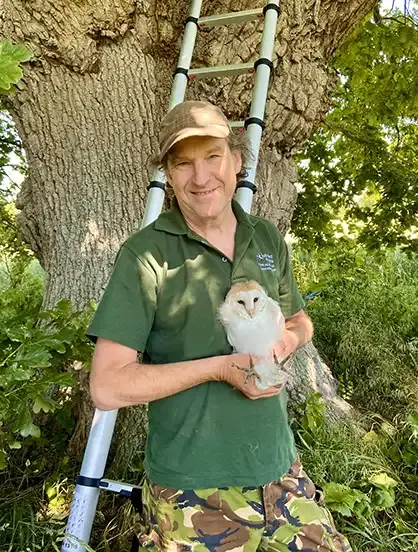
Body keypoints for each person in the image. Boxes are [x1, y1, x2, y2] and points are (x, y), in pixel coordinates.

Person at [87, 100, 351, 552]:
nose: (201, 176)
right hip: (191, 489)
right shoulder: (146, 255)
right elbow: (107, 387)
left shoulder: (265, 237)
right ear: (168, 176)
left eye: (213, 156)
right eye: (183, 163)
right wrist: (220, 367)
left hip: (278, 468)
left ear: (237, 160)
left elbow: (299, 320)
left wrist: (283, 342)